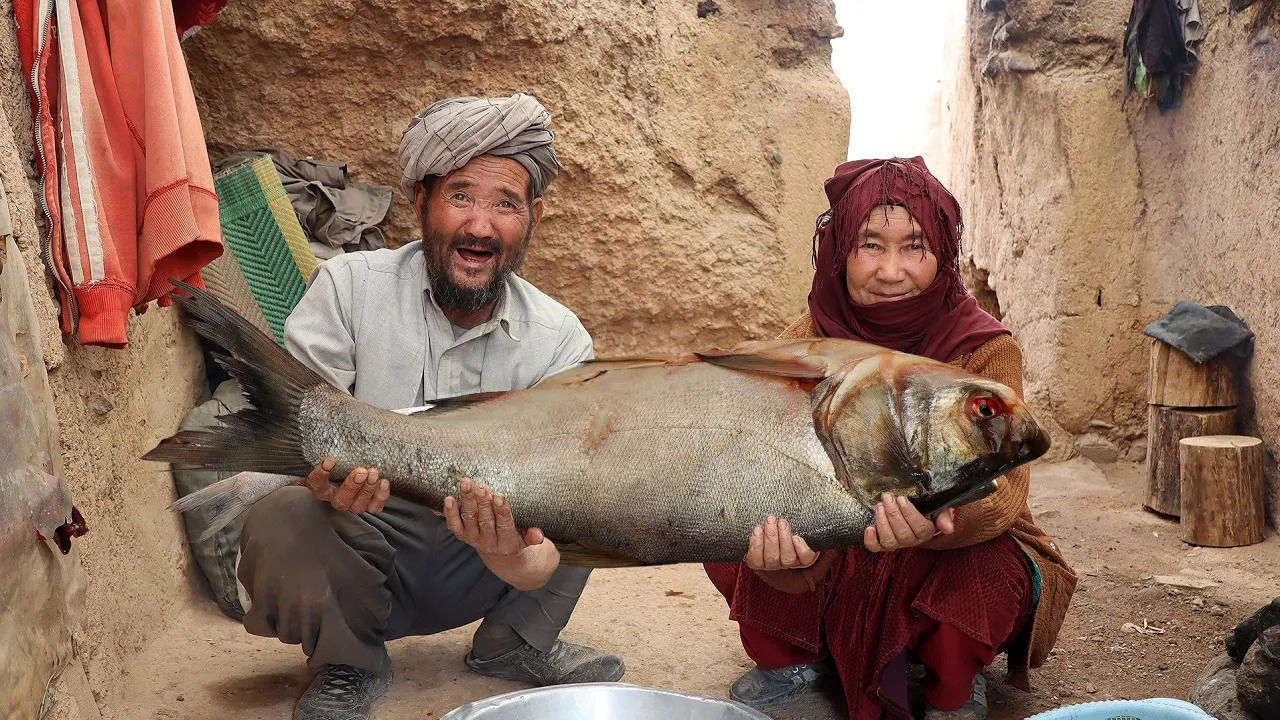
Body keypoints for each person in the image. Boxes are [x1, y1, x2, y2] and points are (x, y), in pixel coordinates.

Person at [235, 94, 625, 720]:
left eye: (506, 203)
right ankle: (347, 664)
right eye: (461, 195)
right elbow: (298, 435)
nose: (480, 225)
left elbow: (559, 532)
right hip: (364, 538)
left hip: (488, 550)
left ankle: (513, 644)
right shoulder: (348, 290)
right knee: (282, 518)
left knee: (597, 488)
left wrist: (512, 556)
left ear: (534, 218)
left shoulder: (560, 340)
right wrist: (320, 483)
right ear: (421, 202)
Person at [704, 157, 1077, 720]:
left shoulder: (985, 348)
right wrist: (775, 517)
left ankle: (945, 681)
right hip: (838, 534)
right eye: (870, 245)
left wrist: (938, 521)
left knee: (987, 571)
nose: (891, 271)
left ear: (943, 253)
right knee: (735, 527)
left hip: (940, 544)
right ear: (839, 253)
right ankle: (793, 662)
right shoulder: (810, 339)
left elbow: (1004, 493)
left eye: (914, 246)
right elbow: (752, 442)